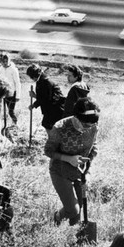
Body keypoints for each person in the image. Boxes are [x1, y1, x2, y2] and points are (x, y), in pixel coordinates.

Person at [44, 97, 98, 226]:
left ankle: (73, 233)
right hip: (60, 171)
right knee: (73, 210)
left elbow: (93, 149)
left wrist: (88, 173)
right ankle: (57, 217)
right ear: (76, 117)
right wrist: (69, 159)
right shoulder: (60, 128)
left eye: (91, 126)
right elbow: (48, 151)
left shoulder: (92, 126)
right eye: (84, 125)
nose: (87, 128)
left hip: (80, 172)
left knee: (78, 212)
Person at [26, 64, 65, 132]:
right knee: (46, 125)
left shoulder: (46, 81)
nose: (31, 79)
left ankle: (53, 141)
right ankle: (52, 141)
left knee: (50, 127)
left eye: (31, 77)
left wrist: (34, 97)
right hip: (50, 109)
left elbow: (46, 99)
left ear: (34, 75)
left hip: (56, 109)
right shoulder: (40, 80)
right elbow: (42, 97)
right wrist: (34, 105)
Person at [0, 53, 21, 126]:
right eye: (3, 61)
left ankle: (15, 124)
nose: (4, 63)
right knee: (0, 110)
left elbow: (17, 83)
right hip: (3, 92)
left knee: (11, 111)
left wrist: (18, 95)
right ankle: (2, 124)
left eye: (6, 61)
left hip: (12, 93)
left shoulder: (13, 70)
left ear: (9, 60)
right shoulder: (0, 68)